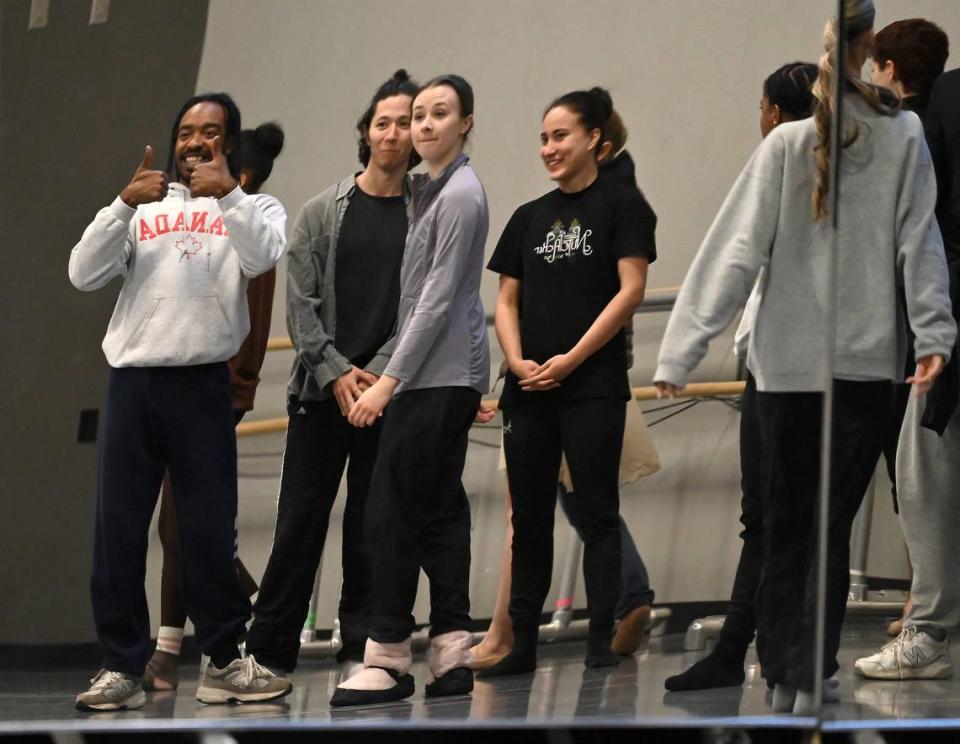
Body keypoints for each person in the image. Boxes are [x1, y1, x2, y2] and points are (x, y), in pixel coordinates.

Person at [654, 0, 954, 715]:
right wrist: (935, 333)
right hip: (845, 369)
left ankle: (797, 665)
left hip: (811, 370)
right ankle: (799, 664)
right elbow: (920, 242)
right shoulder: (828, 142)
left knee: (795, 523)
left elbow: (733, 250)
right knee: (822, 522)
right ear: (867, 49)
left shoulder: (868, 137)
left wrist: (681, 350)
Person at [68, 93, 292, 711]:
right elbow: (82, 273)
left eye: (211, 132)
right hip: (134, 382)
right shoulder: (143, 205)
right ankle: (121, 666)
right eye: (187, 132)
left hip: (200, 384)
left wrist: (228, 195)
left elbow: (262, 255)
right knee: (118, 531)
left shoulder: (253, 206)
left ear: (230, 141)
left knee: (207, 531)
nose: (195, 142)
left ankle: (223, 662)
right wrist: (119, 206)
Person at [244, 70, 420, 681]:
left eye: (405, 122)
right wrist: (336, 371)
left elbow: (426, 305)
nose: (393, 133)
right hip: (321, 395)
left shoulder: (427, 212)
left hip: (387, 395)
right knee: (299, 521)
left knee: (374, 525)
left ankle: (361, 648)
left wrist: (375, 375)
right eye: (382, 122)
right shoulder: (323, 210)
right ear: (365, 133)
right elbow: (301, 302)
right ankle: (268, 653)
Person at [470, 112, 659, 671]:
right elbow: (506, 301)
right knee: (528, 520)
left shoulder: (623, 206)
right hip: (529, 388)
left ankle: (601, 638)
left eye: (561, 136)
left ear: (594, 140)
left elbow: (631, 291)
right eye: (544, 138)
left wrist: (573, 359)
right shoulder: (529, 217)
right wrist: (516, 358)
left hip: (592, 386)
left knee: (597, 511)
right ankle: (520, 644)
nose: (549, 147)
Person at [331, 74, 491, 706]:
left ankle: (388, 656)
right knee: (440, 510)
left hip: (432, 377)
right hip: (445, 374)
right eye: (418, 114)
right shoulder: (436, 190)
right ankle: (452, 649)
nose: (423, 125)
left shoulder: (458, 196)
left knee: (389, 510)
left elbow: (437, 300)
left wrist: (388, 384)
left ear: (466, 123)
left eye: (438, 114)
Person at [665, 61, 819, 693]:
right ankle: (741, 651)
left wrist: (682, 350)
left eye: (761, 105)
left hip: (797, 373)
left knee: (782, 519)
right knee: (769, 518)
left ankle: (766, 654)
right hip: (772, 365)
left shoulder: (787, 162)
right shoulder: (798, 168)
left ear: (777, 114)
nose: (758, 116)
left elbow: (732, 259)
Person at [144, 120, 286, 692]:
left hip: (212, 392)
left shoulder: (246, 228)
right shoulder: (206, 222)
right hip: (192, 388)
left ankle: (178, 651)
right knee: (175, 525)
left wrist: (232, 391)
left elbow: (238, 327)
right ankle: (176, 646)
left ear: (238, 174)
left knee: (185, 527)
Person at [855, 61, 960, 683]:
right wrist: (930, 313)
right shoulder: (949, 94)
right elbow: (929, 211)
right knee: (923, 464)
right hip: (952, 312)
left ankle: (929, 628)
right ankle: (928, 628)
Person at [868, 17, 949, 638]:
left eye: (876, 66)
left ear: (890, 69)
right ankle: (924, 599)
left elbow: (909, 232)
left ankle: (925, 607)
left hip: (916, 325)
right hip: (931, 319)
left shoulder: (910, 130)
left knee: (916, 469)